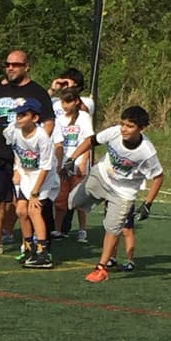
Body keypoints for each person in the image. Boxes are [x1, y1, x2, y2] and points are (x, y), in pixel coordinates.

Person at [63, 106, 163, 283]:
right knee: (71, 201)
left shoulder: (147, 152)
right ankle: (98, 203)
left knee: (112, 229)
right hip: (100, 176)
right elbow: (91, 140)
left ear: (142, 128)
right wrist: (72, 158)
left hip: (123, 192)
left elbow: (158, 176)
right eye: (122, 124)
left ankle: (101, 268)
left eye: (130, 126)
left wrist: (148, 204)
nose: (124, 129)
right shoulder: (114, 133)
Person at [0, 50, 55, 254]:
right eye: (8, 64)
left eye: (16, 64)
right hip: (0, 152)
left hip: (27, 158)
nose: (11, 68)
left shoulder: (37, 92)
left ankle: (31, 241)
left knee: (26, 202)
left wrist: (34, 144)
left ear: (26, 66)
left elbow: (48, 122)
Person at [5, 98, 58, 268]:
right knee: (21, 210)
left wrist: (35, 192)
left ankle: (43, 253)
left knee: (34, 211)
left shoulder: (42, 137)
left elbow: (46, 166)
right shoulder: (14, 130)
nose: (18, 118)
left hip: (43, 177)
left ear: (35, 118)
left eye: (23, 115)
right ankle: (29, 249)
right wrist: (16, 170)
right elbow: (16, 151)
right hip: (26, 174)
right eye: (18, 115)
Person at [53, 87, 93, 242]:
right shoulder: (59, 119)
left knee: (79, 199)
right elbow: (57, 143)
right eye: (63, 102)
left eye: (68, 101)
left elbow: (88, 140)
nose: (65, 105)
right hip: (63, 163)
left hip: (78, 163)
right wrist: (58, 165)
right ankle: (57, 230)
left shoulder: (83, 117)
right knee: (60, 199)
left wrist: (83, 161)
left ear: (76, 101)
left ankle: (82, 230)